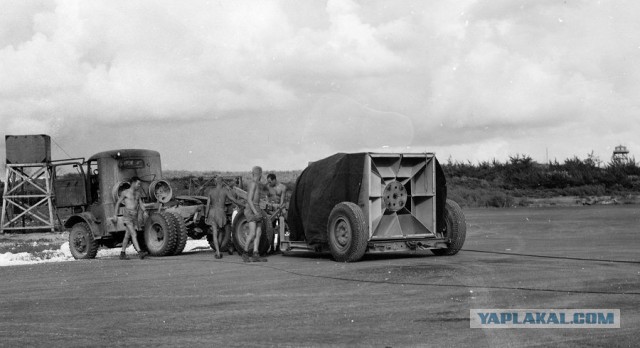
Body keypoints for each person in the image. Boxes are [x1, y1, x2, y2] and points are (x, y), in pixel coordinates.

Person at [113, 177, 147, 260]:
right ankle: (140, 252)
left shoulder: (138, 193)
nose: (139, 185)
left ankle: (122, 253)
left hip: (134, 216)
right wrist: (115, 215)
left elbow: (140, 203)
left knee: (127, 236)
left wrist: (145, 211)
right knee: (133, 234)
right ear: (133, 183)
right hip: (127, 215)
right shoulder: (125, 193)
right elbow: (117, 203)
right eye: (138, 184)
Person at [205, 176, 238, 259]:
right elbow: (233, 199)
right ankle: (218, 250)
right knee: (221, 231)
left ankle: (218, 252)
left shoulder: (211, 191)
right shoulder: (225, 191)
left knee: (215, 232)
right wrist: (241, 203)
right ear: (222, 182)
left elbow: (208, 205)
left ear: (215, 183)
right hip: (221, 212)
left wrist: (206, 216)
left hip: (212, 212)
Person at [242, 166, 267, 262]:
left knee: (258, 232)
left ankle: (255, 253)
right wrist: (256, 212)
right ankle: (245, 253)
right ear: (260, 174)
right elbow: (249, 200)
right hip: (252, 209)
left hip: (256, 208)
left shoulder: (257, 184)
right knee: (252, 233)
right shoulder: (253, 184)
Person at [266, 173, 287, 254]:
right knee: (271, 228)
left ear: (274, 180)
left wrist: (279, 207)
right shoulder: (268, 187)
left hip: (280, 210)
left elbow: (282, 202)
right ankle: (271, 247)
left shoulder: (282, 187)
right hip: (271, 210)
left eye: (270, 182)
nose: (269, 183)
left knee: (280, 229)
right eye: (268, 182)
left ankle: (278, 247)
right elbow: (267, 198)